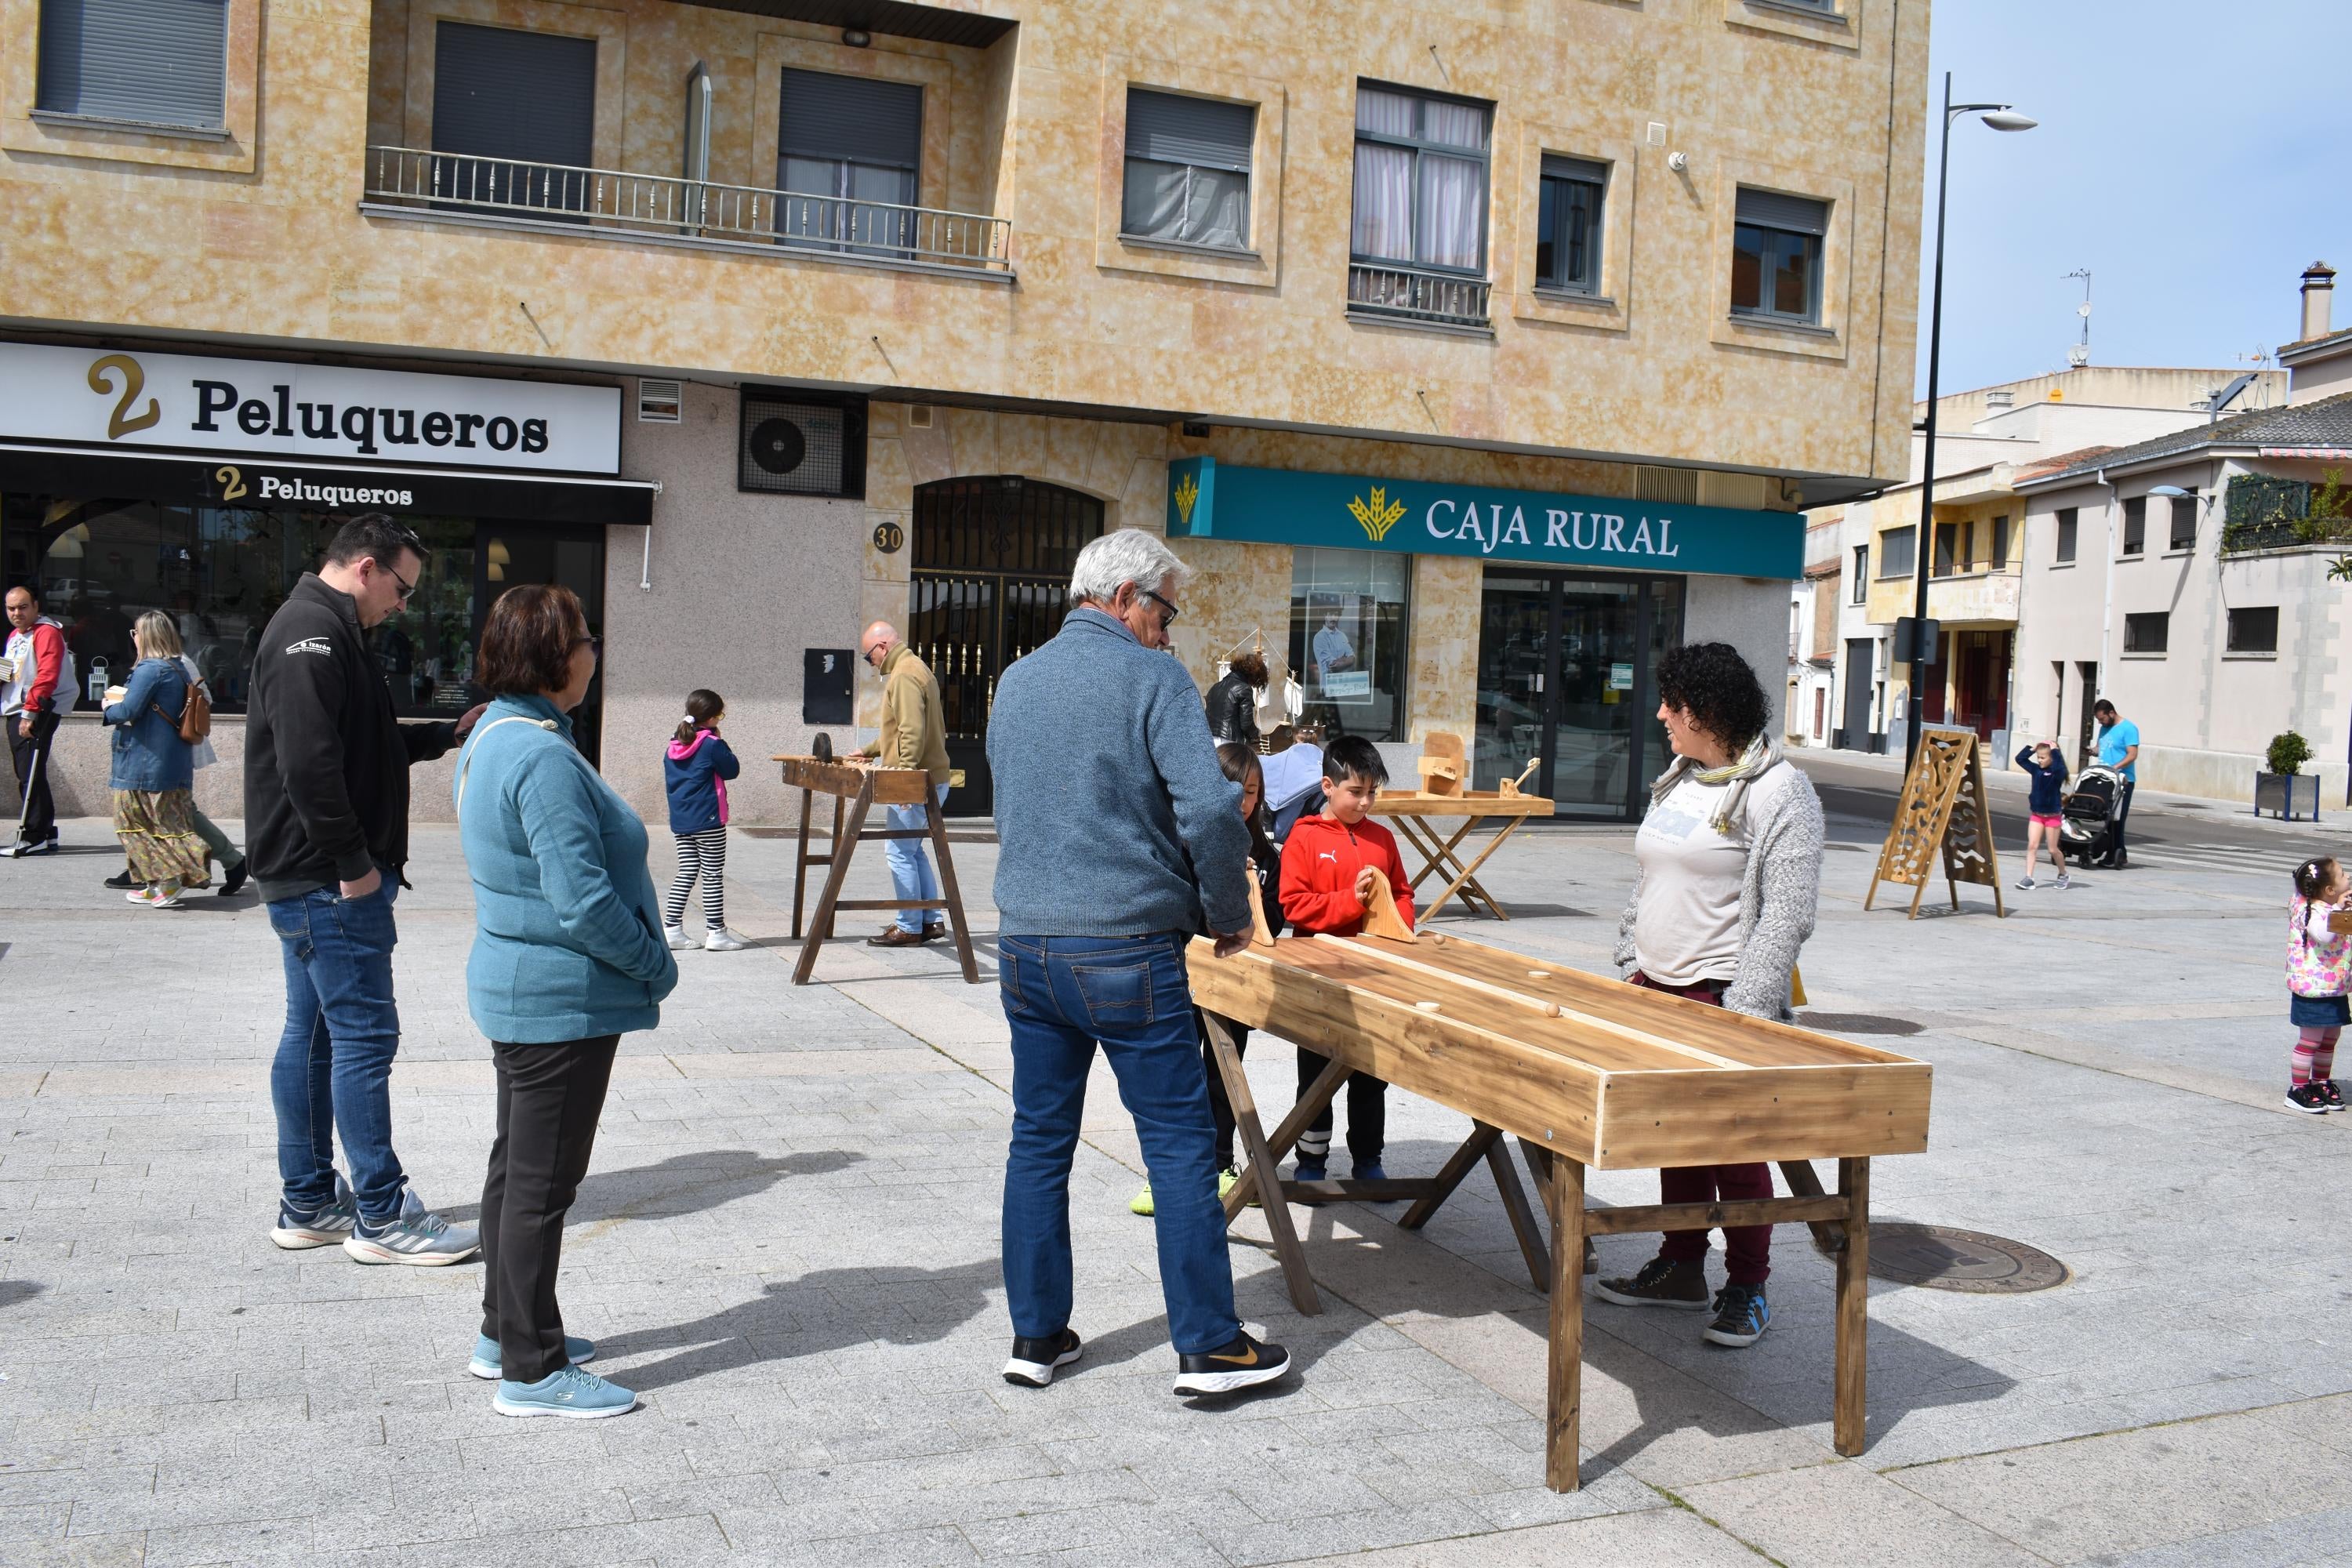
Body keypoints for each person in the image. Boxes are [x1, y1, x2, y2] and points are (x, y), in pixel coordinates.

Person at [989, 527, 1291, 1397]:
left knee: (1038, 1140)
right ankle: (1208, 1342)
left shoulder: (1019, 677)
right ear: (1124, 598)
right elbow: (1208, 807)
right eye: (1164, 609)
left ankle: (1036, 1334)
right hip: (1125, 943)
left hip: (1028, 942)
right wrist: (1229, 915)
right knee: (1179, 1147)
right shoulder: (1150, 676)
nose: (1170, 629)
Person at [453, 583, 678, 1418]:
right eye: (586, 639)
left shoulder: (496, 733)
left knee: (516, 1170)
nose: (594, 653)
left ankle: (502, 1330)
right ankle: (533, 1368)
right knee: (541, 1185)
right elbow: (581, 900)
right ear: (555, 656)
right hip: (558, 997)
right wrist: (653, 963)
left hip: (522, 986)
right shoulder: (540, 754)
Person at [246, 513, 485, 1265]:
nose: (404, 604)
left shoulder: (327, 632)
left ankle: (311, 1199)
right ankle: (381, 1216)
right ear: (365, 567)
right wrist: (356, 866)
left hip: (312, 879)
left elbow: (363, 745)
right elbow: (312, 770)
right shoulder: (309, 638)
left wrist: (445, 733)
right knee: (363, 1039)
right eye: (402, 588)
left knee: (314, 1036)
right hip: (328, 882)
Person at [1595, 641, 1824, 1350]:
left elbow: (1788, 913)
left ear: (1708, 711)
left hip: (1722, 998)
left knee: (1737, 1147)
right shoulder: (1682, 779)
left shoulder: (1780, 792)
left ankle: (1749, 1285)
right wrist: (1633, 962)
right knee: (1680, 1139)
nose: (1661, 714)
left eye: (1674, 705)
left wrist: (1743, 1012)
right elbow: (1649, 882)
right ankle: (1682, 1266)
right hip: (1656, 991)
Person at [1130, 742, 1283, 1217]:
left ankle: (1221, 1165)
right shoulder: (1177, 847)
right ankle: (1167, 1174)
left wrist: (1253, 889)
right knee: (1179, 1075)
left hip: (1236, 982)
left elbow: (1272, 927)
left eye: (1254, 793)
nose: (1243, 804)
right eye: (1234, 792)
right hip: (1180, 978)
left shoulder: (1265, 855)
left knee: (1224, 1077)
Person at [1278, 735, 1411, 1186]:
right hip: (1318, 973)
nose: (1366, 802)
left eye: (1373, 792)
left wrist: (1398, 932)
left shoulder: (1384, 838)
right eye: (1356, 791)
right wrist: (1348, 903)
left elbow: (1401, 895)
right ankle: (1310, 1161)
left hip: (1375, 973)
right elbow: (1294, 905)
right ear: (1328, 786)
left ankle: (1368, 1159)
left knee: (1372, 1073)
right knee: (1315, 1071)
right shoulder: (1305, 836)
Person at [858, 621, 953, 948]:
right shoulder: (916, 667)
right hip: (930, 777)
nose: (870, 663)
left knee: (898, 851)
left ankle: (909, 925)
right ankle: (930, 919)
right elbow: (901, 729)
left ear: (882, 647)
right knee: (913, 851)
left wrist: (905, 782)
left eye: (868, 656)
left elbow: (911, 732)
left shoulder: (903, 675)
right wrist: (869, 750)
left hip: (917, 779)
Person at [101, 612, 207, 908]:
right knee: (159, 824)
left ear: (144, 636)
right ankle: (154, 881)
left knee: (130, 823)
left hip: (144, 763)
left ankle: (171, 878)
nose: (133, 637)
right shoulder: (177, 668)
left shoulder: (150, 670)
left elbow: (128, 711)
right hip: (168, 761)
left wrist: (108, 706)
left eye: (135, 632)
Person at [662, 688, 746, 952]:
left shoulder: (674, 744)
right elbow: (732, 770)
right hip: (708, 819)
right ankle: (716, 933)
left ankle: (672, 929)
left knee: (686, 872)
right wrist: (721, 741)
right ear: (711, 718)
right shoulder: (711, 744)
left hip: (682, 820)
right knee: (711, 875)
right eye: (720, 715)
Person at [3, 585, 72, 858]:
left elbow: (46, 675)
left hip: (34, 709)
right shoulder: (16, 635)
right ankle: (46, 832)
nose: (16, 613)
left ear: (35, 606)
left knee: (28, 774)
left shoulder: (46, 632)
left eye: (22, 607)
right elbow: (13, 671)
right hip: (17, 708)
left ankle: (35, 835)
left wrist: (29, 714)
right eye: (11, 608)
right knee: (32, 771)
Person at [2285, 856, 2349, 1115]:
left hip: (2334, 985)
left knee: (2330, 1039)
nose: (2349, 878)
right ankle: (2298, 1088)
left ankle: (2320, 1082)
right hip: (2313, 988)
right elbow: (2323, 935)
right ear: (2330, 889)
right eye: (2343, 874)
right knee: (2310, 1041)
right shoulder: (2309, 911)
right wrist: (2339, 910)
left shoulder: (2331, 906)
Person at [2014, 738, 2069, 891]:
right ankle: (2029, 878)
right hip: (2037, 814)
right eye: (2038, 757)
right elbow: (2020, 759)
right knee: (2032, 845)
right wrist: (2032, 749)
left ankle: (2063, 874)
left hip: (2052, 816)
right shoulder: (2036, 770)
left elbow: (2061, 770)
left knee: (2052, 849)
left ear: (2052, 757)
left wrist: (2056, 750)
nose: (2039, 760)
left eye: (2043, 757)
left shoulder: (2056, 773)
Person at [2092, 699, 2139, 868]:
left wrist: (2116, 767)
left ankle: (2114, 854)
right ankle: (2120, 853)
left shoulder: (2129, 729)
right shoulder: (2104, 728)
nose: (2100, 723)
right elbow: (2100, 748)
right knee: (2107, 817)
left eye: (2102, 719)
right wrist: (2092, 751)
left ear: (2111, 713)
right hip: (2104, 778)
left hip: (2123, 780)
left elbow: (2132, 755)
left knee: (2117, 818)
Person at [1204, 650, 1269, 747]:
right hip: (1230, 742)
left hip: (1209, 740)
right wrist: (1257, 734)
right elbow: (1246, 724)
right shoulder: (1244, 688)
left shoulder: (1215, 687)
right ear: (1253, 674)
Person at [1312, 611, 1356, 682]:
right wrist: (1346, 659)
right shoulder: (1319, 637)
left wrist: (1342, 662)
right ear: (1325, 616)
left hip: (1344, 685)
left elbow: (1353, 658)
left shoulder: (1342, 636)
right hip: (1328, 685)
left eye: (1335, 614)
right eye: (1330, 614)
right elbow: (1332, 665)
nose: (1333, 618)